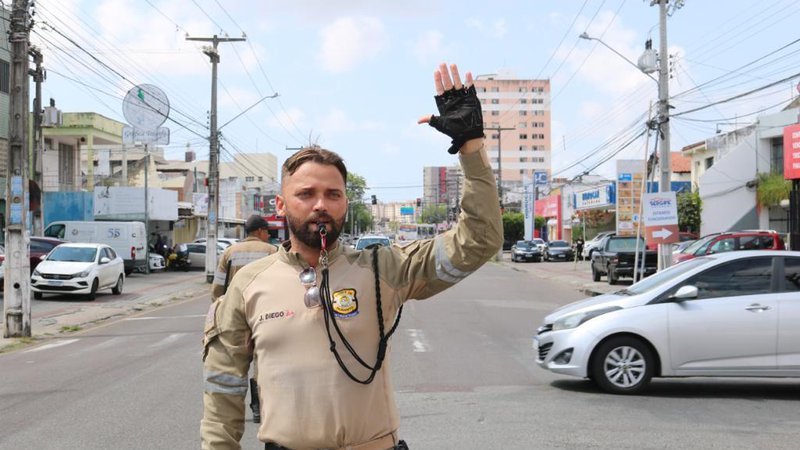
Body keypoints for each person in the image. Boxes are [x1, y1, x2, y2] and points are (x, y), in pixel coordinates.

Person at [201, 63, 503, 450]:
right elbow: (222, 392)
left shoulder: (384, 268)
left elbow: (481, 239)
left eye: (333, 194)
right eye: (306, 194)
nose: (320, 205)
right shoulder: (248, 284)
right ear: (281, 204)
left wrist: (470, 148)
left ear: (345, 203)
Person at [210, 214, 279, 424]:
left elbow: (217, 288)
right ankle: (258, 407)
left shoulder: (229, 252)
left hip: (235, 315)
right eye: (267, 232)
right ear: (260, 232)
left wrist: (221, 308)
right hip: (265, 314)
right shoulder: (272, 252)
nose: (268, 236)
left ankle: (228, 413)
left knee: (233, 365)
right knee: (261, 362)